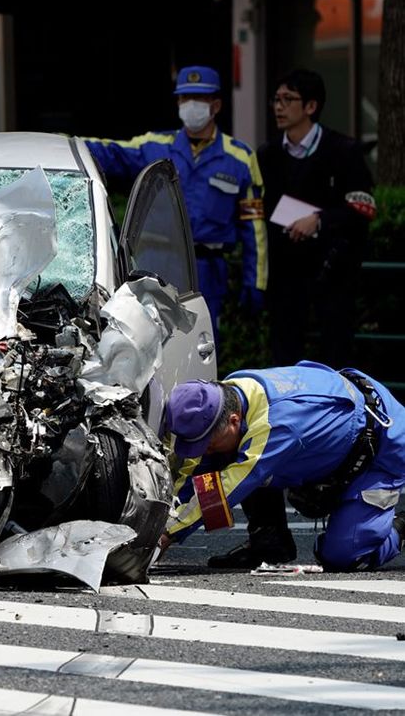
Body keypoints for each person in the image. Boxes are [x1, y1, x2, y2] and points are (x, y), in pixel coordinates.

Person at [160, 362, 405, 570]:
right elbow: (191, 468)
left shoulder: (277, 425)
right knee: (225, 457)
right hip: (331, 437)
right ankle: (270, 543)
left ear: (234, 421)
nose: (203, 451)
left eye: (207, 443)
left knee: (343, 557)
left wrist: (166, 535)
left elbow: (226, 487)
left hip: (380, 449)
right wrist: (159, 519)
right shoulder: (228, 394)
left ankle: (400, 528)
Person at [85, 65, 266, 345]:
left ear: (215, 105)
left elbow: (254, 230)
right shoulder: (155, 145)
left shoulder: (240, 158)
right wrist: (58, 143)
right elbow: (108, 152)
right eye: (184, 98)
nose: (190, 105)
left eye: (198, 98)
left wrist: (256, 282)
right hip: (156, 265)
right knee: (149, 347)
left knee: (201, 345)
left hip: (207, 269)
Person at [259, 69, 376, 368]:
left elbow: (363, 208)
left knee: (336, 353)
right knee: (285, 354)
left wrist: (320, 219)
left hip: (332, 271)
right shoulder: (268, 154)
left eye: (288, 99)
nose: (278, 106)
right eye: (276, 99)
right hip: (286, 273)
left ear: (311, 106)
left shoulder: (343, 151)